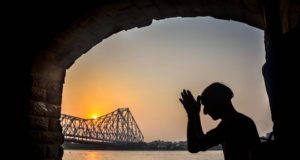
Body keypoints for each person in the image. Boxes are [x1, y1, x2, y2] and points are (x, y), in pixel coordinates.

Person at [179, 82, 260, 160]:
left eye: (207, 105)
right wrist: (195, 115)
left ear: (218, 101)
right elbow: (201, 140)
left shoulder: (231, 125)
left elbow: (194, 147)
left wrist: (192, 115)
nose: (205, 112)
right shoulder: (240, 121)